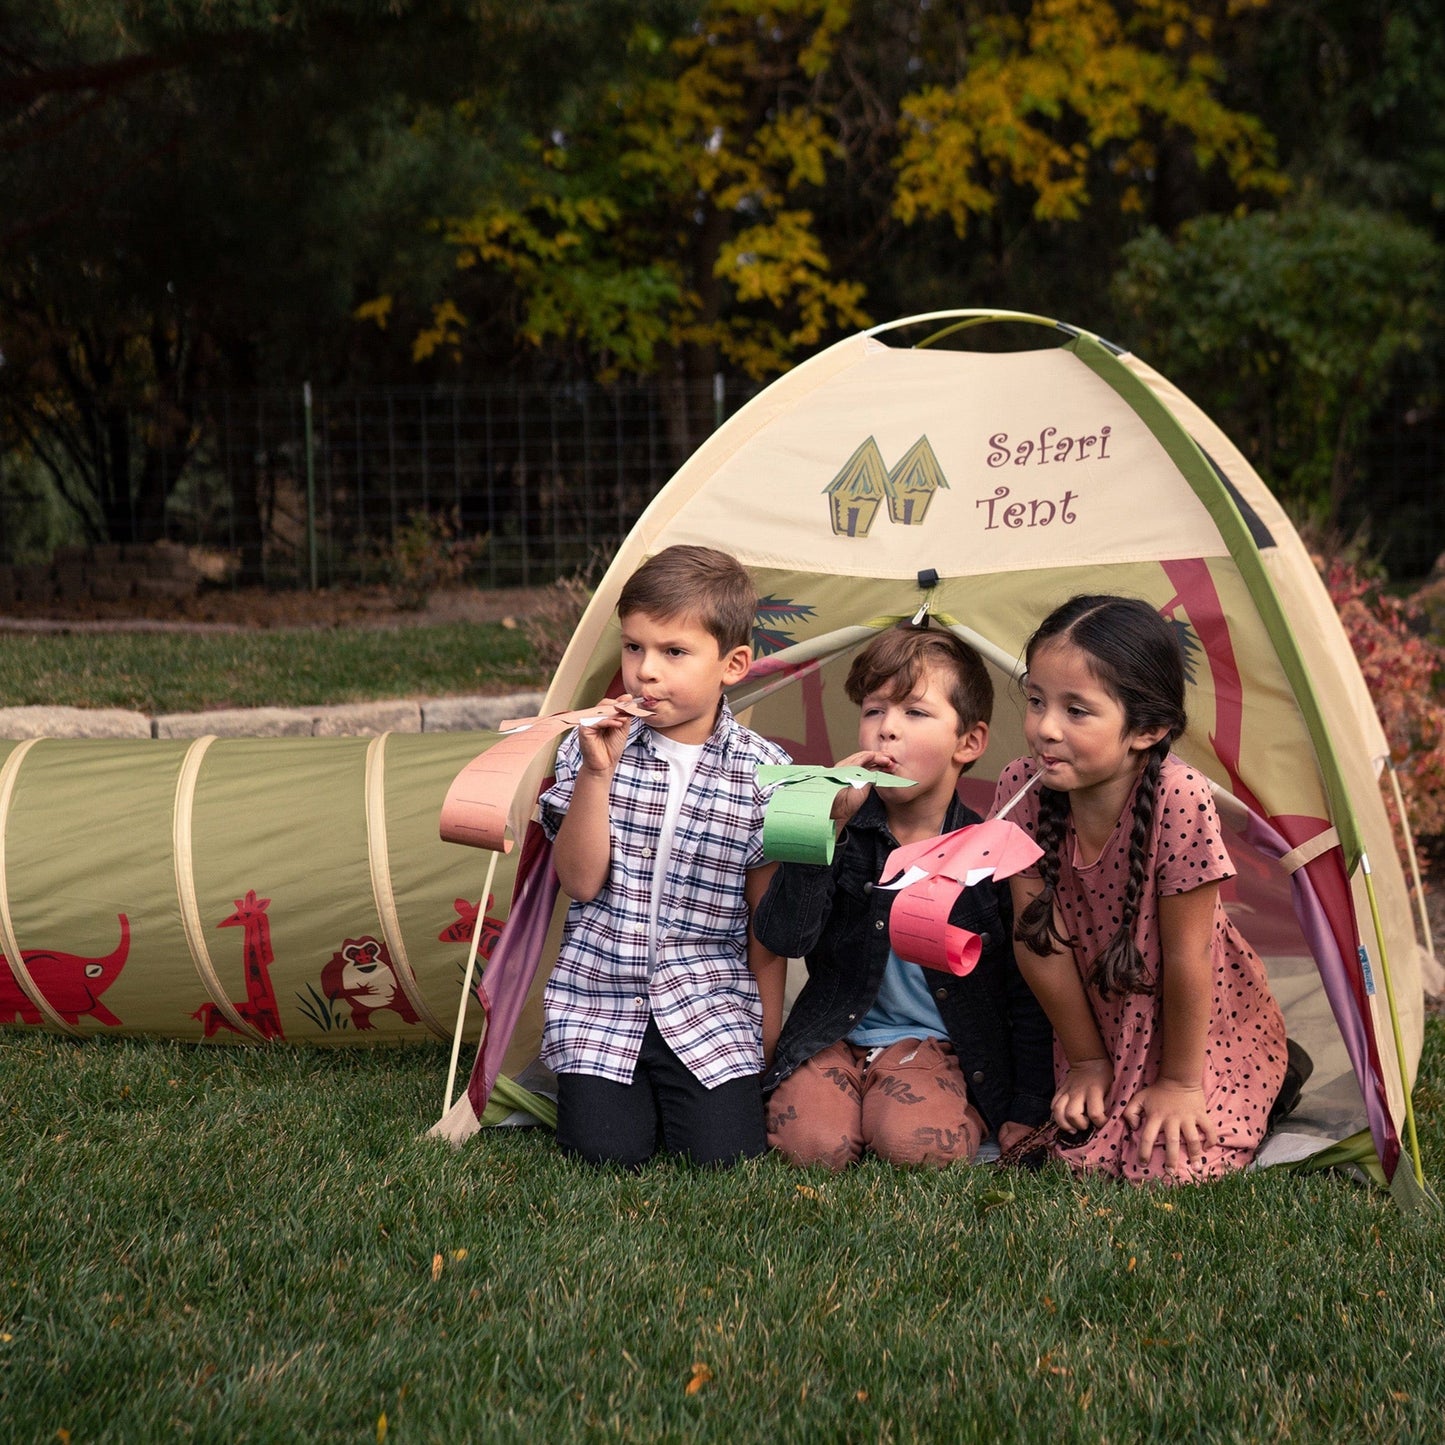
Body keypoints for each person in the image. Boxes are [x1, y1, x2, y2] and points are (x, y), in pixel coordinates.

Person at [992, 593, 1290, 1183]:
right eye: (1035, 701)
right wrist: (1086, 1060)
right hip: (1095, 1017)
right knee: (1086, 1151)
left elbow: (1188, 956)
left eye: (1077, 711)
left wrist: (1180, 1084)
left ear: (1147, 728)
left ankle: (1275, 1074)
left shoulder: (1179, 798)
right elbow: (1037, 944)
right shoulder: (1021, 786)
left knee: (1167, 1166)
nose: (1044, 728)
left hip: (1194, 1021)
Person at [754, 621, 1054, 1170]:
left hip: (933, 1049)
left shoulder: (987, 853)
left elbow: (1027, 995)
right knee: (814, 1148)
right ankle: (845, 1100)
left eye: (915, 712)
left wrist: (1028, 1105)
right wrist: (826, 827)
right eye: (874, 711)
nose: (886, 730)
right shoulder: (834, 824)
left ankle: (892, 1107)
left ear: (970, 743)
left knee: (913, 1150)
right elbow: (783, 936)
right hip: (835, 1036)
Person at [538, 544, 790, 1168]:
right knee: (605, 1152)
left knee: (722, 1156)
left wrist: (769, 1031)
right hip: (599, 999)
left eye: (674, 652)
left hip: (709, 1006)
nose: (645, 671)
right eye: (633, 647)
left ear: (732, 664)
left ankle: (694, 1092)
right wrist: (597, 775)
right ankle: (611, 1096)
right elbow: (578, 880)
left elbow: (769, 922)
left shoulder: (766, 773)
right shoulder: (591, 744)